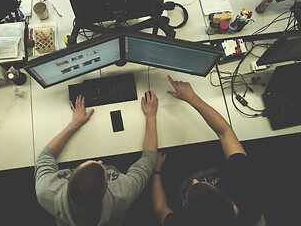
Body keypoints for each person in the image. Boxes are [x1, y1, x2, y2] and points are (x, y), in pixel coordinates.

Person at [151, 75, 263, 226]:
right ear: (229, 201)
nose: (195, 181)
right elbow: (225, 132)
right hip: (213, 160)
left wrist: (156, 171)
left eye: (192, 187)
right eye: (202, 184)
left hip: (176, 170)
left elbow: (160, 208)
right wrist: (192, 98)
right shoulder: (250, 200)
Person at [35, 92, 159, 226]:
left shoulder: (46, 191)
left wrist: (74, 123)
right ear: (107, 187)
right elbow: (149, 159)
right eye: (103, 168)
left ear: (69, 177)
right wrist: (151, 116)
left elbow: (46, 156)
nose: (100, 161)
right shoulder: (123, 193)